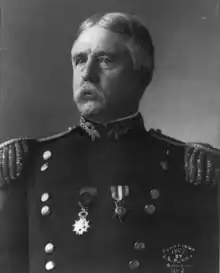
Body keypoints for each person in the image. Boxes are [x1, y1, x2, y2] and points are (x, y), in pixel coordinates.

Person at [0, 12, 219, 273]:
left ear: (142, 75)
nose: (87, 74)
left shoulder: (187, 167)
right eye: (79, 60)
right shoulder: (30, 163)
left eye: (105, 60)